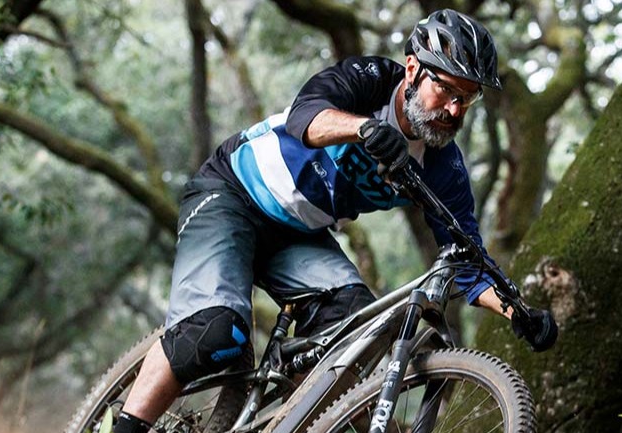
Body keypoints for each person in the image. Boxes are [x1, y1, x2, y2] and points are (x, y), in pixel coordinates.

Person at [112, 9, 558, 433]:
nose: (455, 111)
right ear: (411, 70)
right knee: (213, 333)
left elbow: (465, 255)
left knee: (356, 331)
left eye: (467, 98)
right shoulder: (368, 80)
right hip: (232, 193)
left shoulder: (444, 167)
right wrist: (363, 128)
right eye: (446, 91)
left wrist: (515, 313)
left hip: (299, 236)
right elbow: (305, 117)